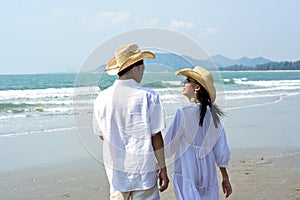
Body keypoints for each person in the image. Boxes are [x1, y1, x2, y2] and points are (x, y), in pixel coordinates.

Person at [93, 44, 169, 200]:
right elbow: (156, 136)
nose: (143, 73)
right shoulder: (149, 96)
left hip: (116, 173)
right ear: (136, 69)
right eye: (143, 68)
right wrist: (162, 168)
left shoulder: (102, 98)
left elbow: (102, 135)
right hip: (143, 170)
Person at [164, 66, 232, 199]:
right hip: (208, 168)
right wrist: (225, 176)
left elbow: (169, 145)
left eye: (187, 80)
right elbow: (220, 149)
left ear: (197, 87)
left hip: (188, 166)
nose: (183, 84)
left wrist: (159, 167)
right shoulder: (213, 115)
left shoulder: (183, 112)